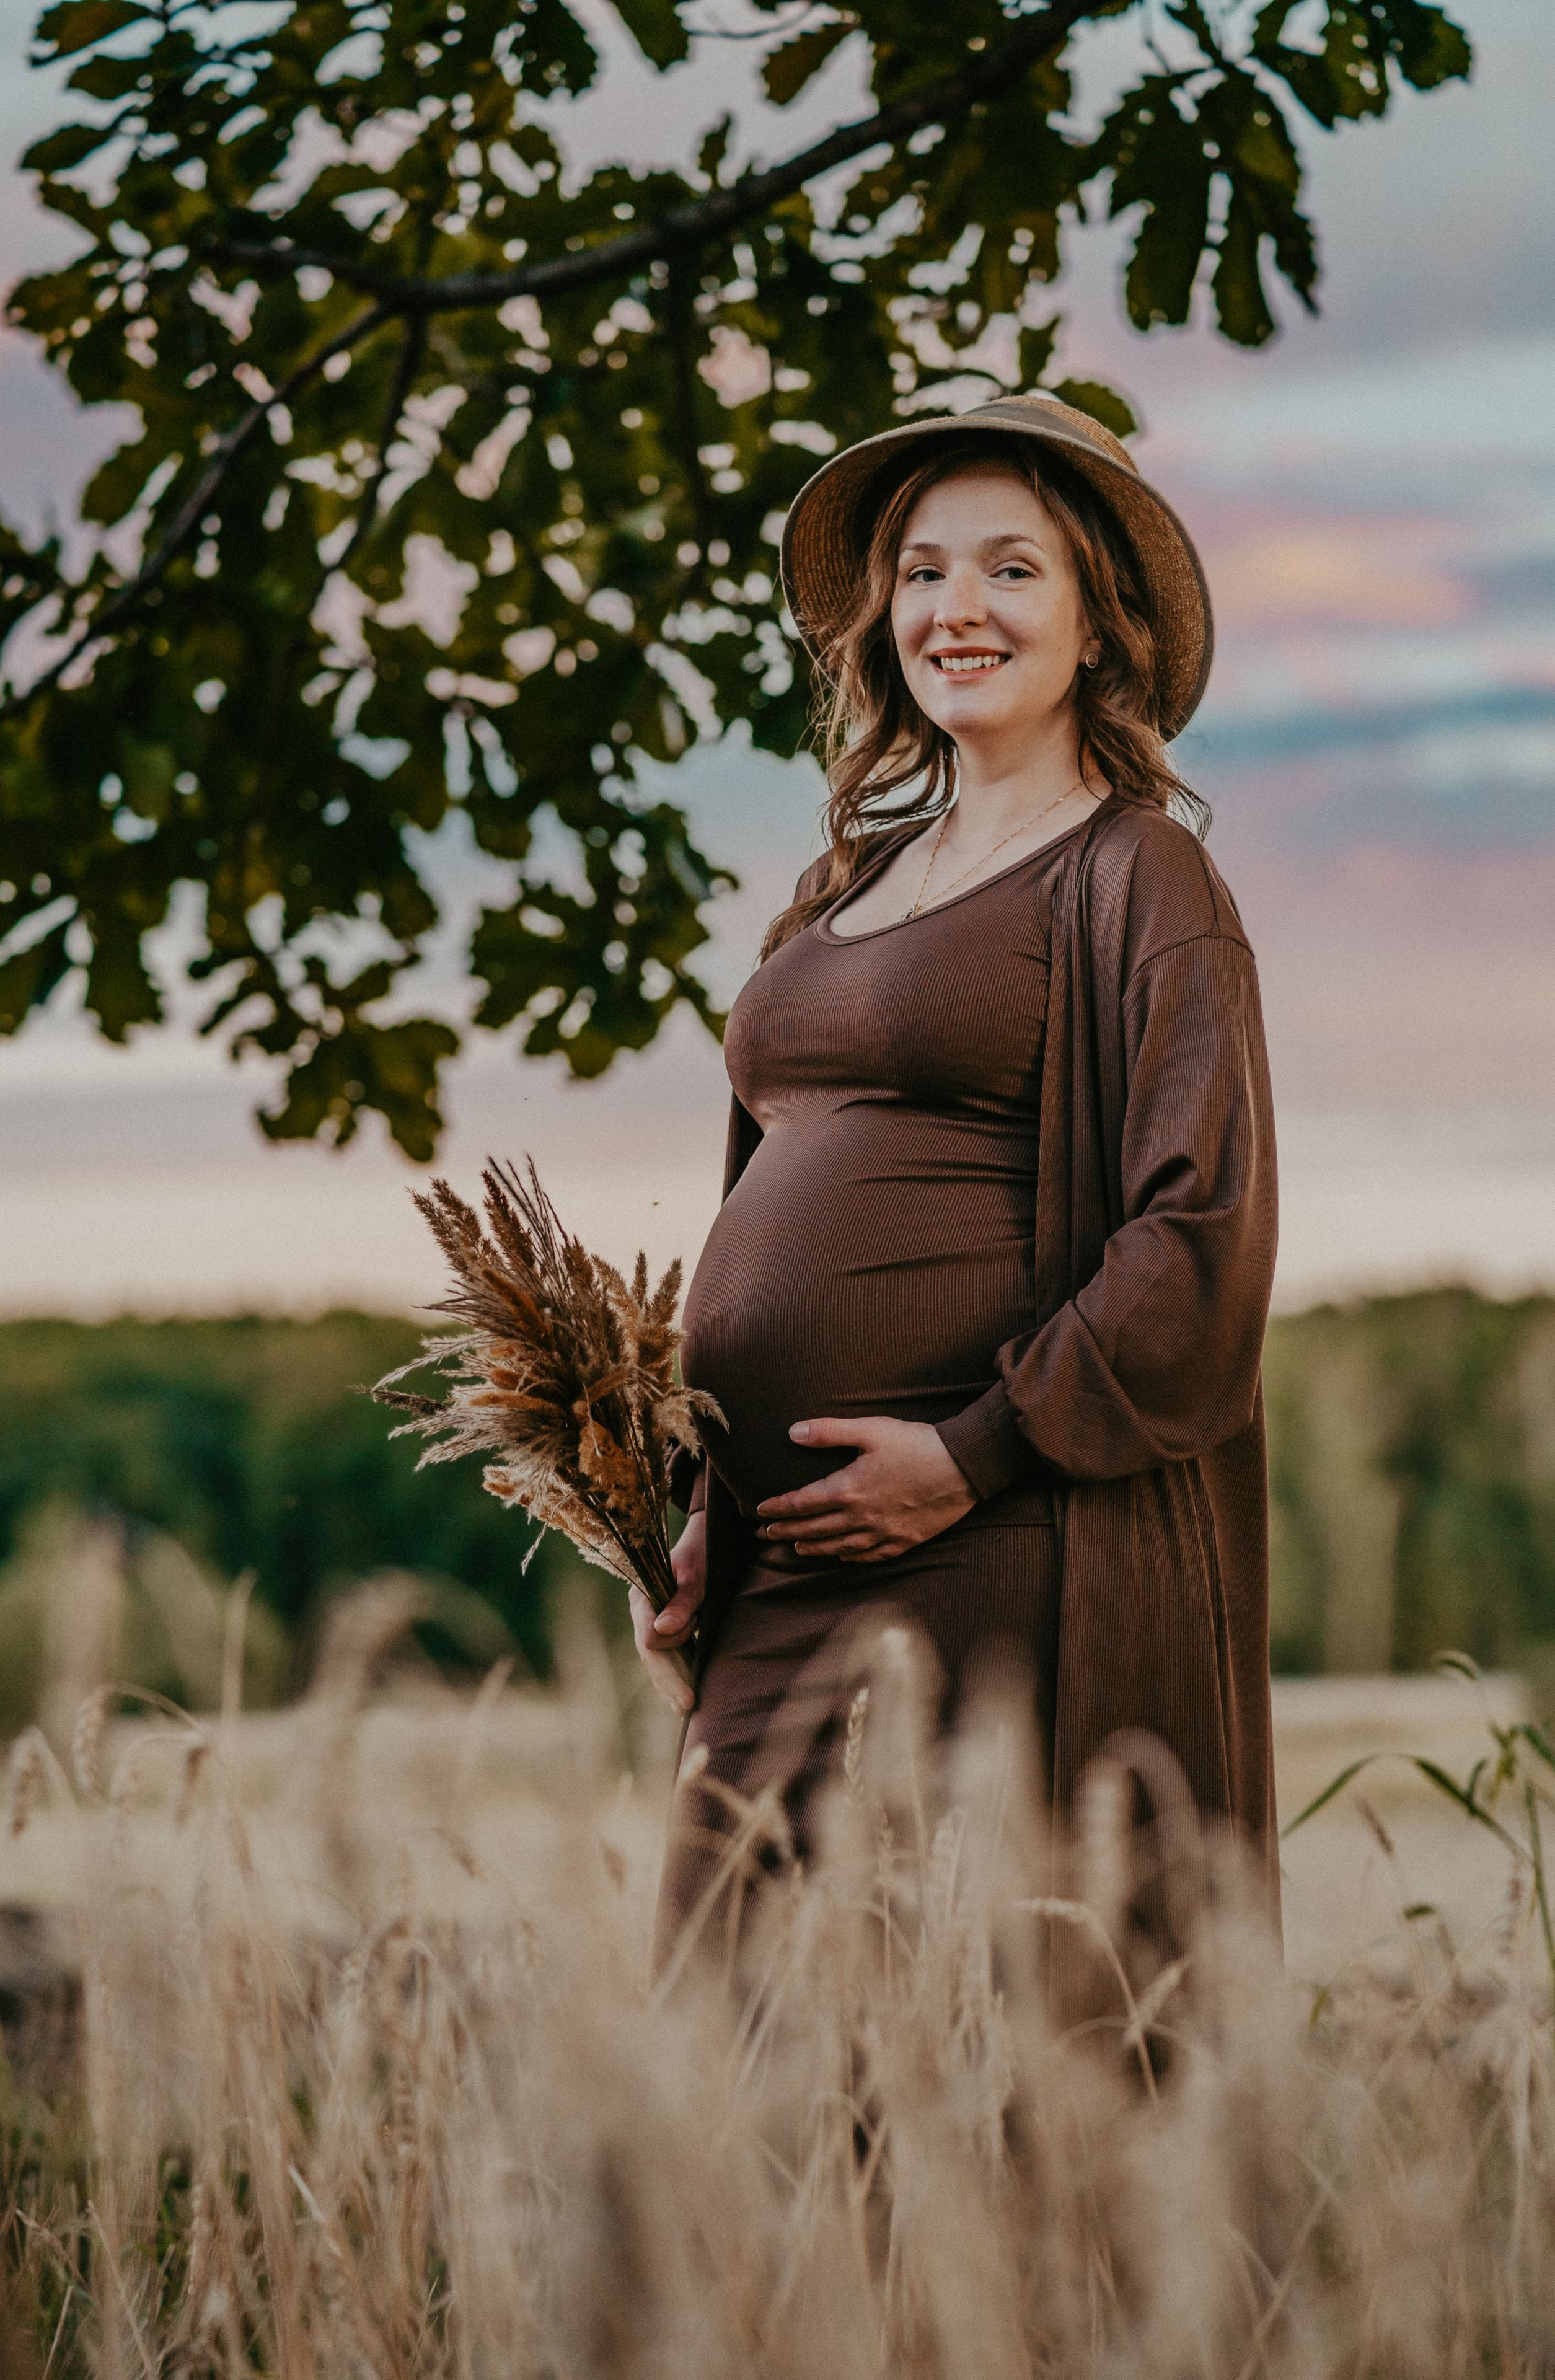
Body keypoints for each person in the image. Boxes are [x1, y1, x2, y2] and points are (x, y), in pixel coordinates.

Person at [632, 392, 1279, 1953]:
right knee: (733, 2045)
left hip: (992, 1548)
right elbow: (765, 1207)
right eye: (921, 573)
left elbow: (1199, 1242)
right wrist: (710, 1503)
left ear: (1095, 624)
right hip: (783, 1563)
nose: (955, 611)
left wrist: (972, 1451)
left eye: (1009, 570)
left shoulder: (1138, 875)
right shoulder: (837, 887)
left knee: (972, 2056)